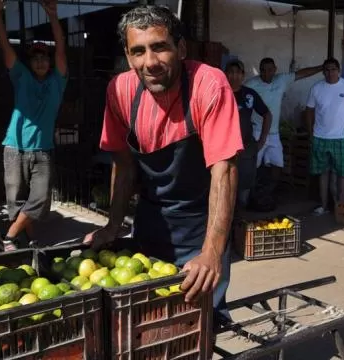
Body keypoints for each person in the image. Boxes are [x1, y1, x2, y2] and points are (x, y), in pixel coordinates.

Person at [84, 5, 243, 325]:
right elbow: (124, 165)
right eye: (138, 51)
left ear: (180, 49)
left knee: (194, 326)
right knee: (143, 325)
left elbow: (223, 170)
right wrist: (113, 225)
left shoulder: (208, 84)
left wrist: (212, 252)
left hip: (201, 224)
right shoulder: (120, 90)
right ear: (128, 57)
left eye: (160, 47)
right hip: (151, 221)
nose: (150, 62)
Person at [0, 0, 68, 251]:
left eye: (44, 56)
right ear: (29, 62)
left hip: (43, 151)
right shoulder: (21, 77)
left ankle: (9, 237)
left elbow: (62, 51)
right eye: (35, 58)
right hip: (14, 148)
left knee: (41, 198)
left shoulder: (58, 81)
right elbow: (4, 44)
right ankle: (30, 241)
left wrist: (54, 17)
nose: (41, 61)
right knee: (16, 201)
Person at [244, 58, 323, 195]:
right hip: (257, 130)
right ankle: (251, 193)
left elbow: (302, 74)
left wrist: (322, 67)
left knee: (278, 162)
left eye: (269, 70)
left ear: (275, 69)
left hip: (274, 132)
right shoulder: (251, 84)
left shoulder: (282, 80)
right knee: (253, 163)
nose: (266, 73)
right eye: (262, 70)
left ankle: (270, 191)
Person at [305, 58, 344, 215]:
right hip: (320, 137)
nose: (330, 72)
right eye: (326, 70)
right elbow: (309, 110)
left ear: (339, 71)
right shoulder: (316, 88)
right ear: (323, 71)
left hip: (341, 137)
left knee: (342, 173)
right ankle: (324, 206)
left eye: (333, 69)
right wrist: (310, 132)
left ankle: (341, 206)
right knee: (323, 173)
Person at [224, 59, 272, 208]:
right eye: (231, 72)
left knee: (244, 184)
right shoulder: (220, 93)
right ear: (226, 74)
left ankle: (241, 216)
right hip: (224, 149)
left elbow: (267, 114)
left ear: (243, 75)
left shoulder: (249, 94)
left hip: (246, 147)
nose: (234, 76)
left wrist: (262, 139)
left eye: (238, 72)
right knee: (225, 186)